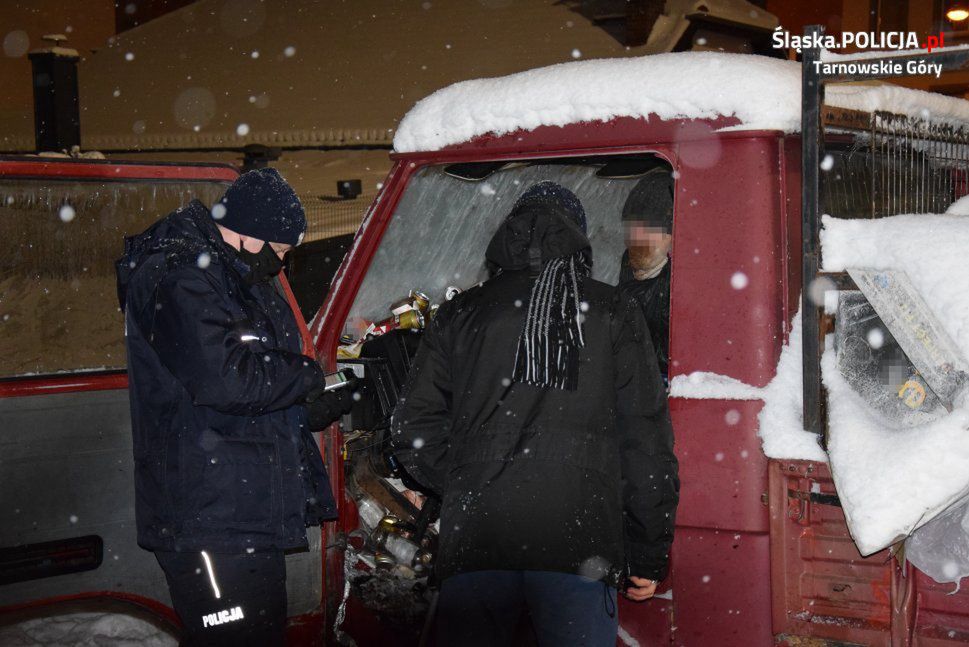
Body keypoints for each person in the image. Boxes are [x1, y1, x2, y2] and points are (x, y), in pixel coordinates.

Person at [391, 182, 679, 646]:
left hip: (479, 544)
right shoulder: (612, 311)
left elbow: (411, 428)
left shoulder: (460, 313)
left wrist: (472, 483)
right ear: (577, 238)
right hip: (577, 544)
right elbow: (644, 442)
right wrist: (648, 550)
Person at [116, 168, 351, 646]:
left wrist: (307, 411)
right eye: (280, 251)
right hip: (209, 521)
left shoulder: (231, 277)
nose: (281, 265)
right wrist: (308, 375)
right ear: (248, 234)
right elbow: (228, 380)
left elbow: (239, 393)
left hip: (240, 515)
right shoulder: (178, 277)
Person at [619, 169, 674, 375]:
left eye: (648, 229)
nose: (636, 239)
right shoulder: (627, 269)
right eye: (631, 229)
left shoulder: (682, 280)